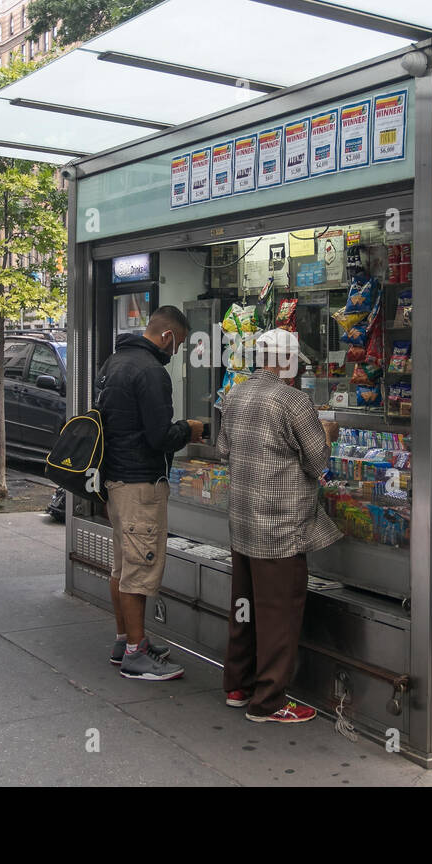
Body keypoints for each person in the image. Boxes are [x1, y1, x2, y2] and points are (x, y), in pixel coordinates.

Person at [216, 328, 341, 723]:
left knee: (244, 606)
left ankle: (238, 685)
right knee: (279, 613)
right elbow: (319, 464)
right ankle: (268, 701)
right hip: (280, 528)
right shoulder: (294, 401)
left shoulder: (235, 395)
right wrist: (328, 434)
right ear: (286, 361)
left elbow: (223, 450)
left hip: (242, 521)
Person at [97, 305, 204, 680]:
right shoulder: (151, 372)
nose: (177, 352)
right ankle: (135, 655)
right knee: (139, 569)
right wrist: (188, 429)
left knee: (124, 566)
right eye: (180, 344)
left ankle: (124, 640)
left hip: (116, 481)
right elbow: (160, 436)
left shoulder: (114, 363)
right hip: (141, 483)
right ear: (168, 336)